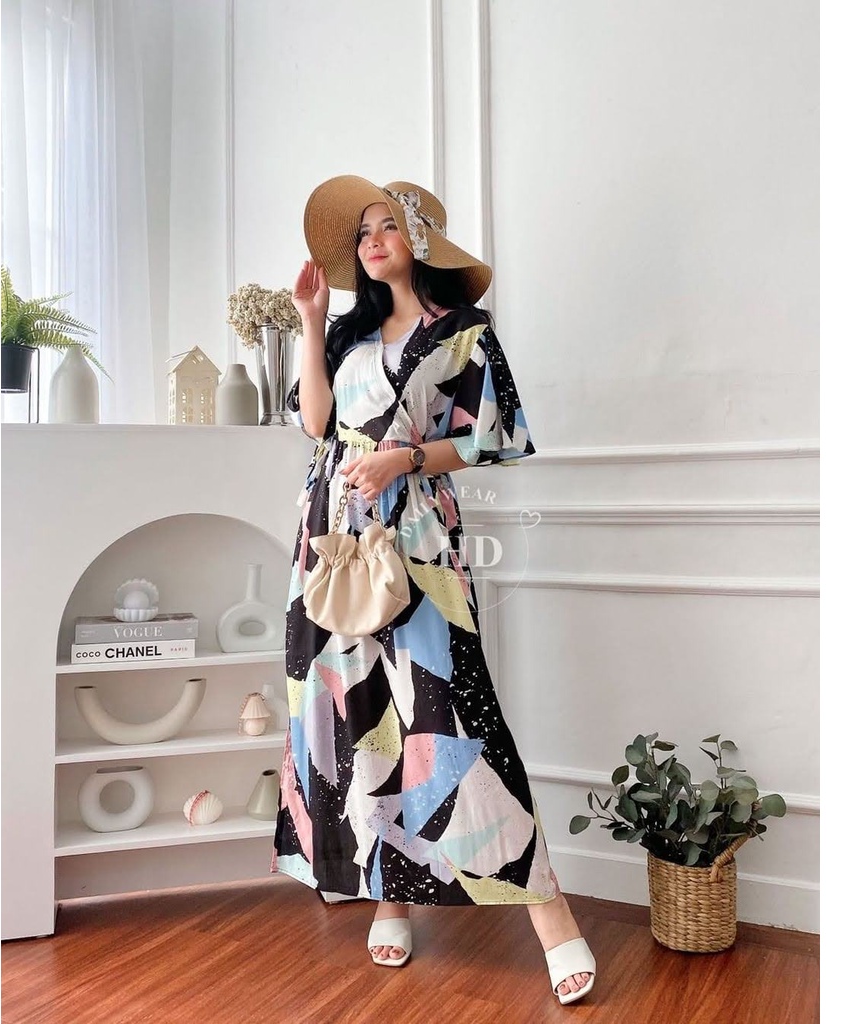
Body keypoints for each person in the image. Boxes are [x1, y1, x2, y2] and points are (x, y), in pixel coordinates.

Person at [269, 175, 596, 1005]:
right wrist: (310, 321)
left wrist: (403, 459)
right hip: (332, 535)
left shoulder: (461, 334)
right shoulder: (348, 334)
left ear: (419, 241)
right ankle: (391, 896)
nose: (372, 241)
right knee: (360, 716)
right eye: (363, 232)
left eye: (387, 226)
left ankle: (549, 910)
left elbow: (492, 438)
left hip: (416, 538)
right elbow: (317, 425)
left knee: (450, 717)